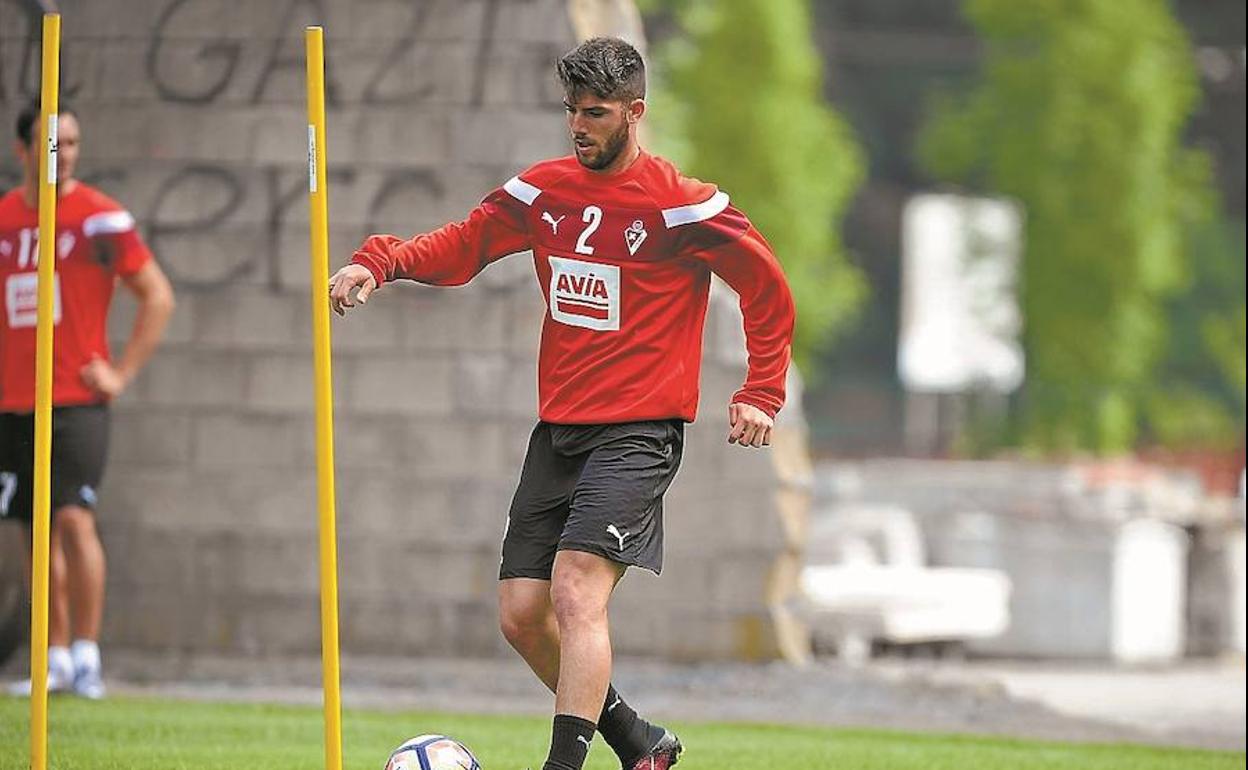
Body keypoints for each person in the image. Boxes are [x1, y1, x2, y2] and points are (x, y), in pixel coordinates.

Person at [330, 37, 794, 770]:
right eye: (572, 111)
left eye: (597, 113)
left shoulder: (683, 206)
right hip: (559, 432)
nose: (580, 126)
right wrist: (381, 260)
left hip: (640, 433)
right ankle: (639, 742)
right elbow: (464, 245)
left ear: (635, 113)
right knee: (522, 617)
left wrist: (761, 390)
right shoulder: (542, 193)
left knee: (577, 591)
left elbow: (766, 287)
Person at [0, 101, 175, 699]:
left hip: (76, 399)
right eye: (54, 144)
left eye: (73, 143)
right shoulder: (4, 221)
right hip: (13, 402)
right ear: (24, 151)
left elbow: (156, 295)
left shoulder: (100, 218)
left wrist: (121, 372)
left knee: (74, 517)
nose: (66, 154)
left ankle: (87, 655)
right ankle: (53, 657)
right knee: (32, 528)